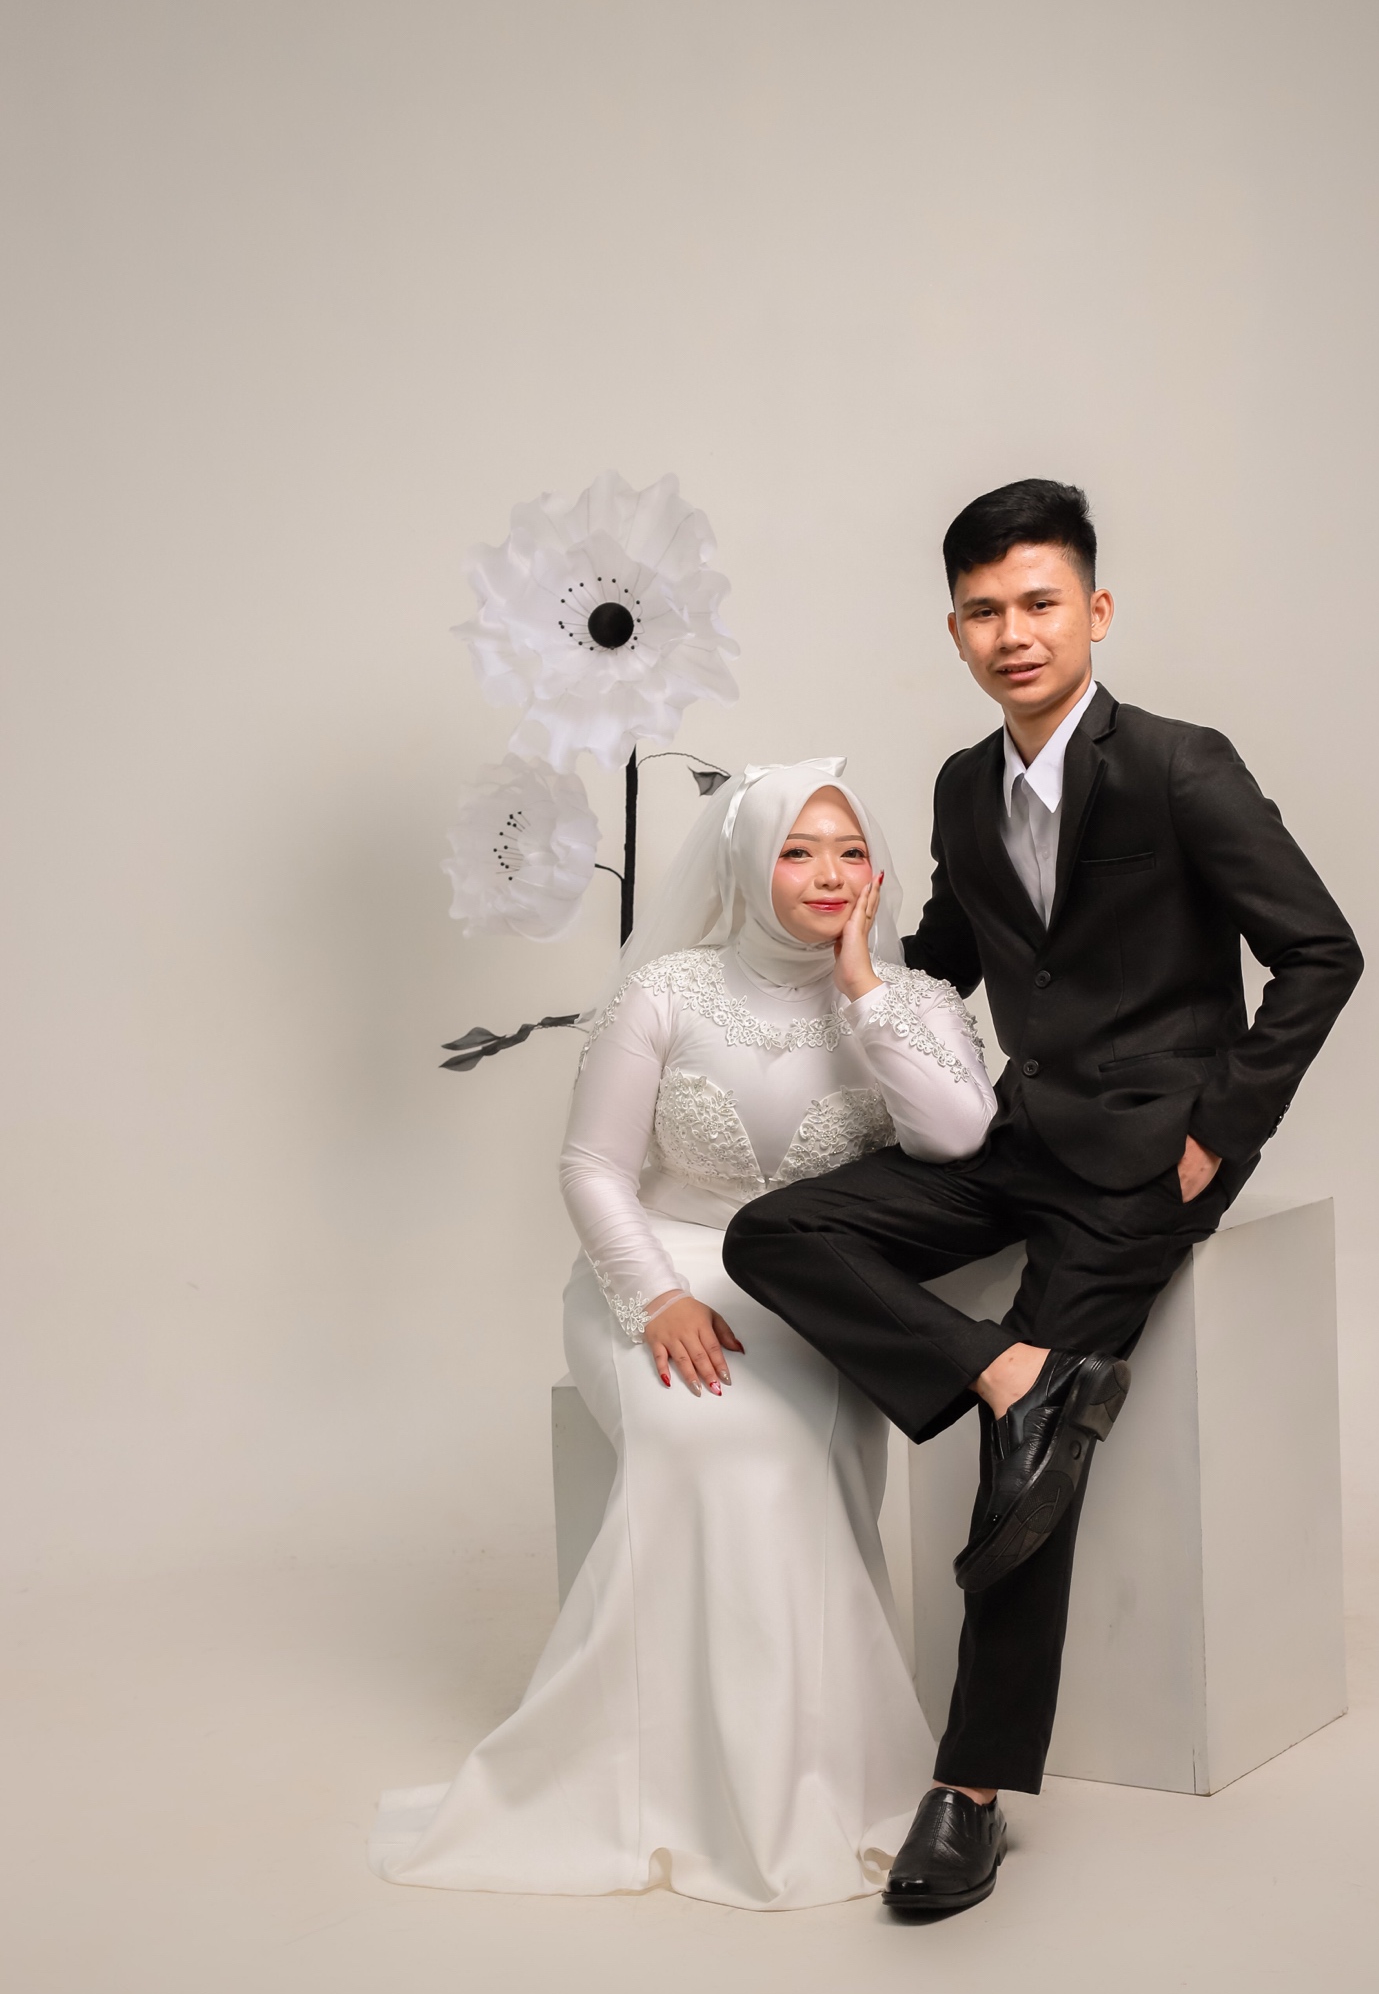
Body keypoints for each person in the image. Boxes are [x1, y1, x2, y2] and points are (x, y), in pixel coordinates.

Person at [724, 480, 1364, 1917]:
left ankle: (968, 1795)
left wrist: (1219, 1135)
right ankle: (1018, 1374)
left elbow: (1321, 952)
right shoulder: (964, 785)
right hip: (1016, 1132)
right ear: (953, 631)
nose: (1013, 632)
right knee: (780, 1234)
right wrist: (829, 952)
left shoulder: (1181, 766)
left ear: (1095, 612)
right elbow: (955, 954)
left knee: (1026, 1479)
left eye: (1039, 603)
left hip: (1149, 1157)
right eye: (983, 611)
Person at [369, 759, 996, 1909]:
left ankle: (812, 1777)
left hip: (817, 1292)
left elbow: (958, 1139)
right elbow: (591, 1166)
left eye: (850, 852)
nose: (828, 874)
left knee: (789, 1459)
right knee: (714, 1448)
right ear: (747, 864)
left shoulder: (914, 999)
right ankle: (663, 1786)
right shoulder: (666, 991)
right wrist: (656, 1297)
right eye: (798, 851)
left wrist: (864, 989)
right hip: (657, 1270)